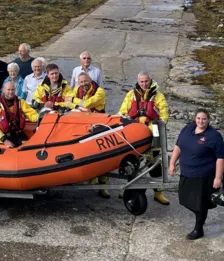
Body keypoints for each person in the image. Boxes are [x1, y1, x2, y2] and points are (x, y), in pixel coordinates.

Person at [169, 108, 224, 240]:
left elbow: (220, 158)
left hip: (203, 176)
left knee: (200, 204)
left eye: (204, 119)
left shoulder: (214, 136)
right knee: (184, 199)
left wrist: (218, 177)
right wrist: (172, 163)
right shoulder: (187, 129)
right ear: (195, 118)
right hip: (186, 173)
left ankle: (198, 229)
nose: (201, 121)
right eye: (199, 118)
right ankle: (201, 213)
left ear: (208, 120)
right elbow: (178, 146)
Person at [119, 71, 170, 205]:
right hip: (135, 134)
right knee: (131, 163)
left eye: (146, 81)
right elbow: (122, 112)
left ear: (150, 80)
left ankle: (158, 193)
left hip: (152, 134)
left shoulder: (158, 96)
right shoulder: (131, 95)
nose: (144, 84)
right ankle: (128, 189)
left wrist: (155, 124)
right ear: (138, 81)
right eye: (141, 82)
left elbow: (164, 116)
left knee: (155, 164)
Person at [66, 72, 109, 197]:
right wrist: (79, 106)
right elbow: (66, 103)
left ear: (90, 80)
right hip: (82, 127)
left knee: (103, 157)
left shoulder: (99, 91)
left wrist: (75, 101)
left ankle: (104, 186)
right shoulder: (77, 89)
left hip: (98, 126)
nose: (83, 84)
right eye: (81, 82)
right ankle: (91, 177)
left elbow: (88, 103)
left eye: (85, 81)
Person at [0, 81, 38, 147]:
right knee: (8, 148)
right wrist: (5, 140)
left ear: (15, 90)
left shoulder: (21, 102)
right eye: (8, 89)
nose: (11, 92)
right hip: (4, 136)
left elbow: (31, 113)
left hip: (18, 134)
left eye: (12, 90)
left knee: (27, 147)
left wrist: (41, 118)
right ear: (4, 90)